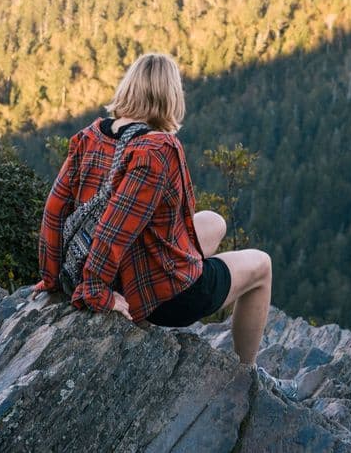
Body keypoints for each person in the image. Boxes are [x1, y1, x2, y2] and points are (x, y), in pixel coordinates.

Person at [33, 51, 297, 400]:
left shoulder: (90, 137)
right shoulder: (158, 149)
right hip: (162, 297)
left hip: (120, 268)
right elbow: (113, 229)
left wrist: (53, 278)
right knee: (262, 265)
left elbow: (54, 212)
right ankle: (248, 377)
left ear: (129, 89)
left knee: (213, 222)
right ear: (170, 97)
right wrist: (96, 292)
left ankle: (186, 267)